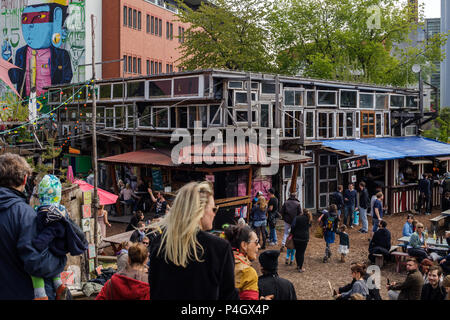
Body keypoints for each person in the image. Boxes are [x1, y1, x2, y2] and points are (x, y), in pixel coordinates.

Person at [148, 181, 239, 300]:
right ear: (200, 210)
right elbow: (228, 296)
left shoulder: (159, 242)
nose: (214, 214)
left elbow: (155, 291)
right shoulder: (219, 248)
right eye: (213, 209)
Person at [0, 154, 67, 300]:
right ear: (25, 179)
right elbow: (37, 262)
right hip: (23, 292)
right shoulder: (24, 214)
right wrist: (61, 260)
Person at [31, 174, 88, 300]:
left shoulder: (49, 215)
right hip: (59, 252)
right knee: (55, 271)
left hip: (50, 248)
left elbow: (50, 232)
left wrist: (37, 244)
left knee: (34, 271)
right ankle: (58, 285)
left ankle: (40, 294)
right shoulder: (62, 213)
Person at [224, 224, 260, 300]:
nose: (259, 246)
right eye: (256, 242)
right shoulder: (248, 272)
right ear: (244, 245)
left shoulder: (219, 260)